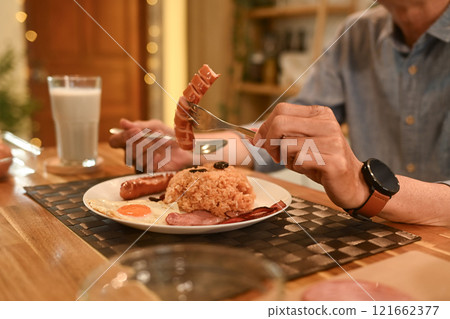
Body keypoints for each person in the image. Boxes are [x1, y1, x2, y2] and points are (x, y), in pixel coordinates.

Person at [110, 0, 450, 227]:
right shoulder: (357, 33)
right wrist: (192, 148)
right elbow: (275, 138)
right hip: (370, 233)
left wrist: (363, 187)